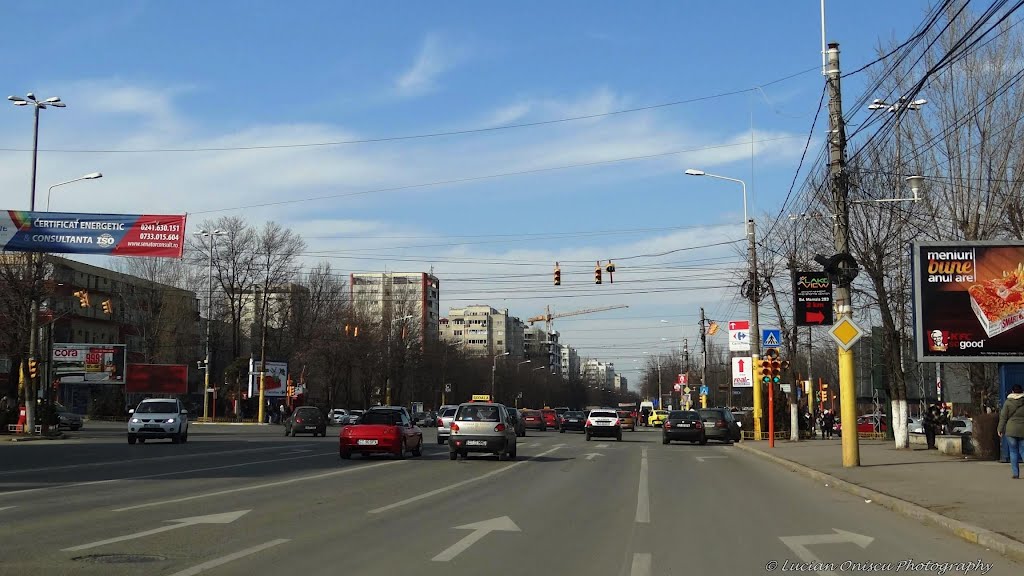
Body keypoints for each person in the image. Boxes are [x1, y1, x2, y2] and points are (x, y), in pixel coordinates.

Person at [998, 384, 1024, 479]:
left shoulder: (1008, 402)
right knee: (1023, 451)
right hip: (1022, 430)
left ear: (1012, 391)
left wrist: (1000, 429)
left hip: (1011, 430)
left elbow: (1003, 417)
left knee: (1013, 452)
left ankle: (1016, 474)